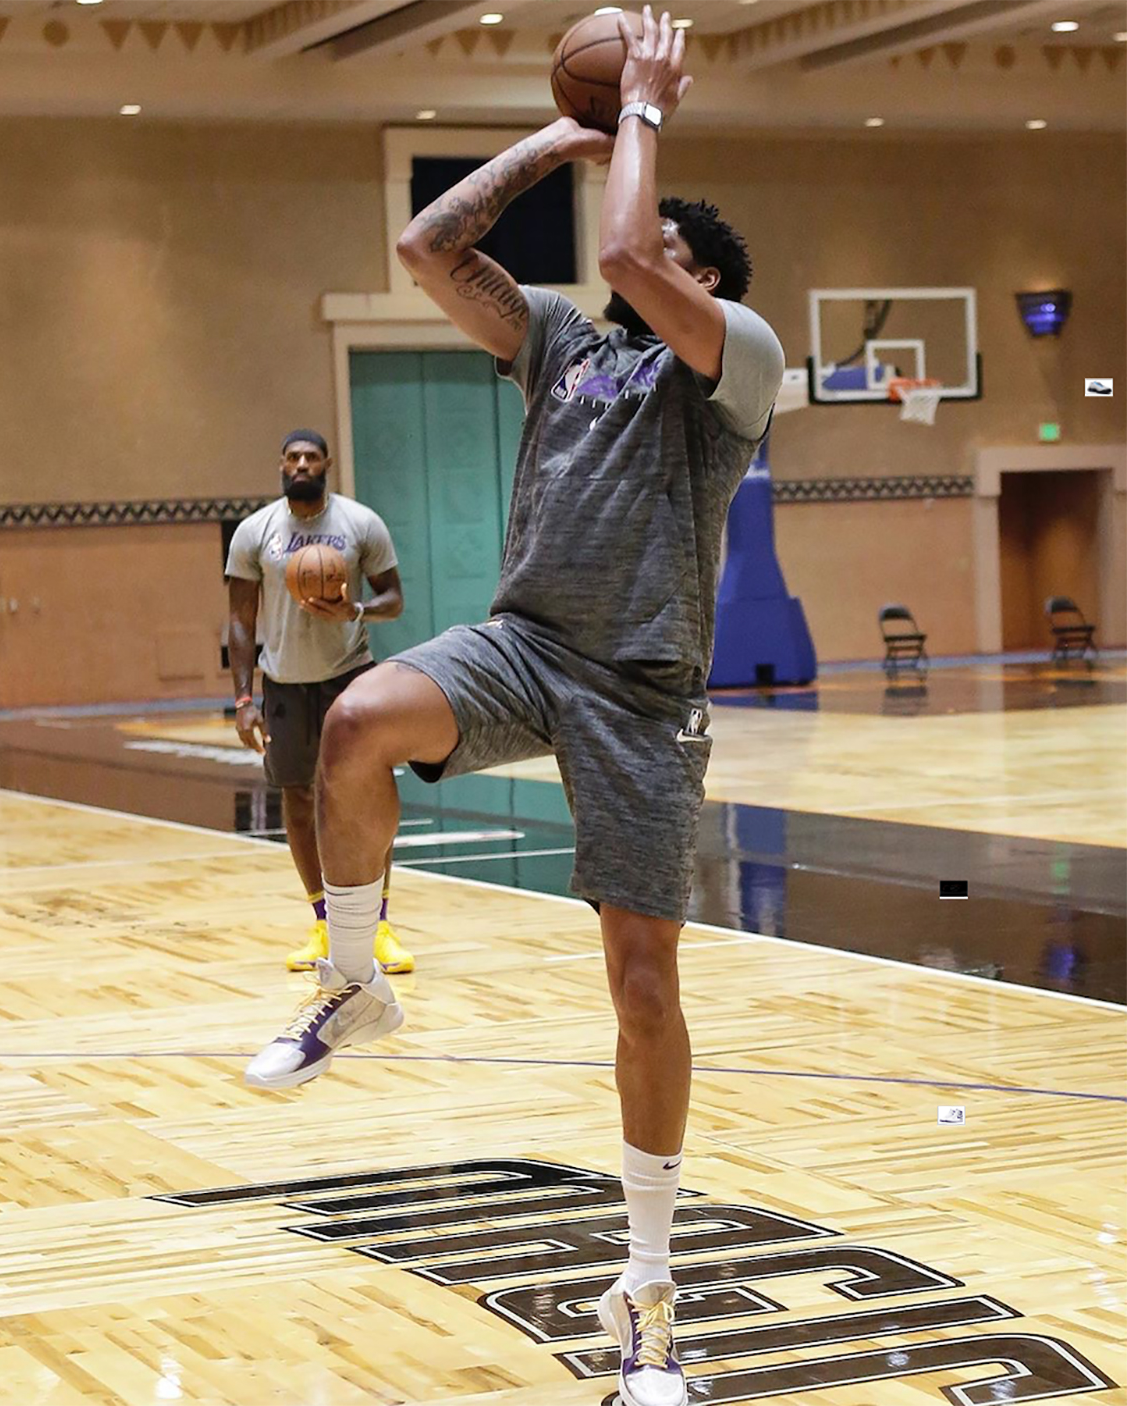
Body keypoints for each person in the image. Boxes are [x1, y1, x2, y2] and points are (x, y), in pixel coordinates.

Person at [246, 11, 783, 1404]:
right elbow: (429, 249)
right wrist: (569, 127)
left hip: (643, 691)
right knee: (357, 721)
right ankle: (355, 984)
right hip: (526, 640)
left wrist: (648, 112)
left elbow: (622, 249)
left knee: (644, 985)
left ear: (704, 276)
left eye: (665, 239)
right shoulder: (560, 341)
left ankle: (649, 1302)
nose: (631, 245)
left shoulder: (740, 358)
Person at [226, 429, 413, 976]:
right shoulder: (254, 532)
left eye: (311, 457)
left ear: (327, 463)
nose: (301, 464)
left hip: (349, 676)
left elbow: (394, 599)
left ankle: (377, 925)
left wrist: (355, 610)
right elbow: (239, 619)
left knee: (366, 797)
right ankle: (323, 923)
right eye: (292, 457)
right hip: (284, 683)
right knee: (300, 799)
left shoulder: (360, 523)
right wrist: (243, 697)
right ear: (281, 465)